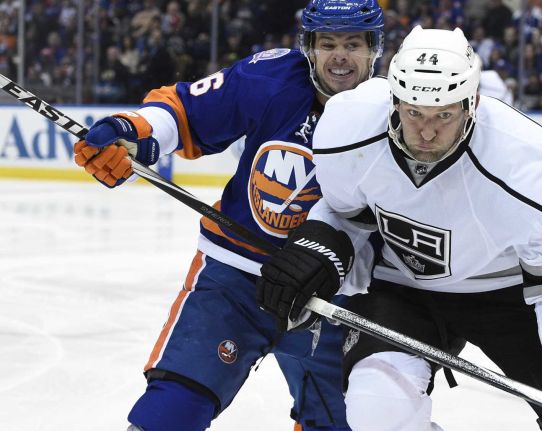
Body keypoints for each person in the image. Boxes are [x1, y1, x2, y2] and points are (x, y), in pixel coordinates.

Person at [257, 26, 542, 431]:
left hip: (514, 294)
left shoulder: (530, 164)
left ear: (473, 102)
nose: (427, 132)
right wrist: (320, 249)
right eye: (414, 113)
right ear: (395, 101)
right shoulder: (349, 127)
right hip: (404, 289)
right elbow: (346, 214)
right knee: (375, 410)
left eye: (444, 115)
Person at [72, 1, 383, 430]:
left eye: (353, 44)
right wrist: (139, 132)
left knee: (350, 422)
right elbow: (184, 111)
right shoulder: (269, 76)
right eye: (327, 43)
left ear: (375, 49)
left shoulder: (395, 113)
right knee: (172, 409)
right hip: (237, 279)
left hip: (332, 296)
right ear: (308, 47)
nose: (340, 56)